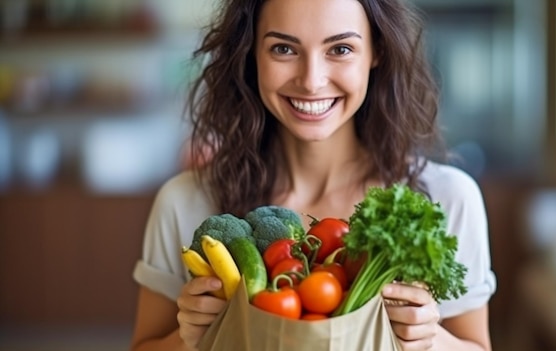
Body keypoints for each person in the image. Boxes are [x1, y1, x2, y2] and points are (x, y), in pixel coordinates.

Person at [129, 0, 497, 349]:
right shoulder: (184, 202)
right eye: (284, 49)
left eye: (340, 49)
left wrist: (433, 340)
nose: (311, 80)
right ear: (251, 54)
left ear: (377, 51)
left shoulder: (447, 199)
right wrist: (189, 339)